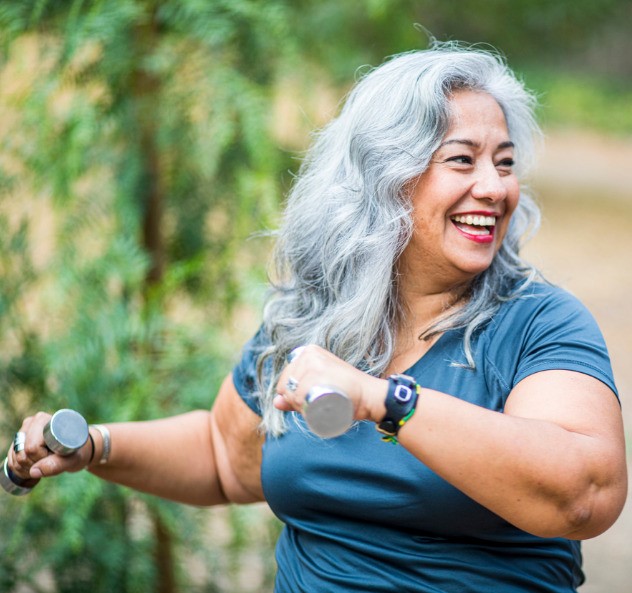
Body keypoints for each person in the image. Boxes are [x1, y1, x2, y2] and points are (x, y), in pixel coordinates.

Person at [5, 42, 627, 592]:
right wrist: (94, 446)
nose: (495, 187)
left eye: (506, 162)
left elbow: (585, 494)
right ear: (386, 177)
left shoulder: (540, 324)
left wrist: (386, 401)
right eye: (462, 160)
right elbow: (225, 455)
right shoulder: (313, 318)